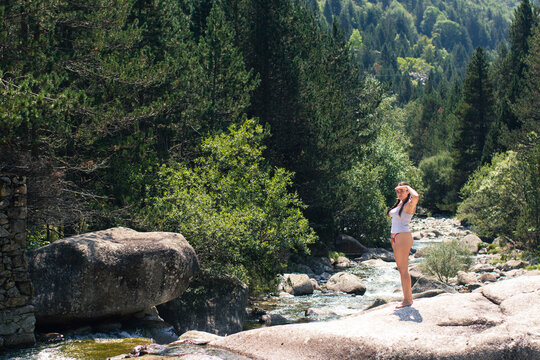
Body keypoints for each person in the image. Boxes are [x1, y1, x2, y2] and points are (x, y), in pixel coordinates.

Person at [387, 181, 419, 308]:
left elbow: (416, 196)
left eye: (402, 190)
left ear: (407, 191)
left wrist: (408, 187)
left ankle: (408, 299)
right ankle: (407, 298)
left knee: (404, 270)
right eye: (398, 190)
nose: (399, 192)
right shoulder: (399, 204)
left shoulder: (409, 205)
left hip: (403, 237)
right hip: (395, 238)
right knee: (401, 269)